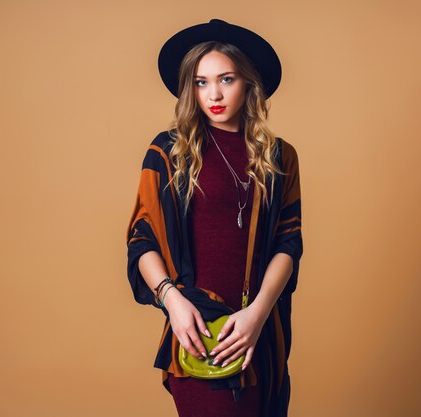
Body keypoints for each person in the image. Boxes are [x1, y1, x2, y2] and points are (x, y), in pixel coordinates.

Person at [126, 18, 303, 417]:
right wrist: (172, 301)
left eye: (226, 79)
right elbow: (142, 239)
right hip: (197, 329)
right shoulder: (168, 152)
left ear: (249, 84)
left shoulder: (279, 156)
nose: (214, 94)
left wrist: (257, 315)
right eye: (201, 82)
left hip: (257, 333)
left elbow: (288, 243)